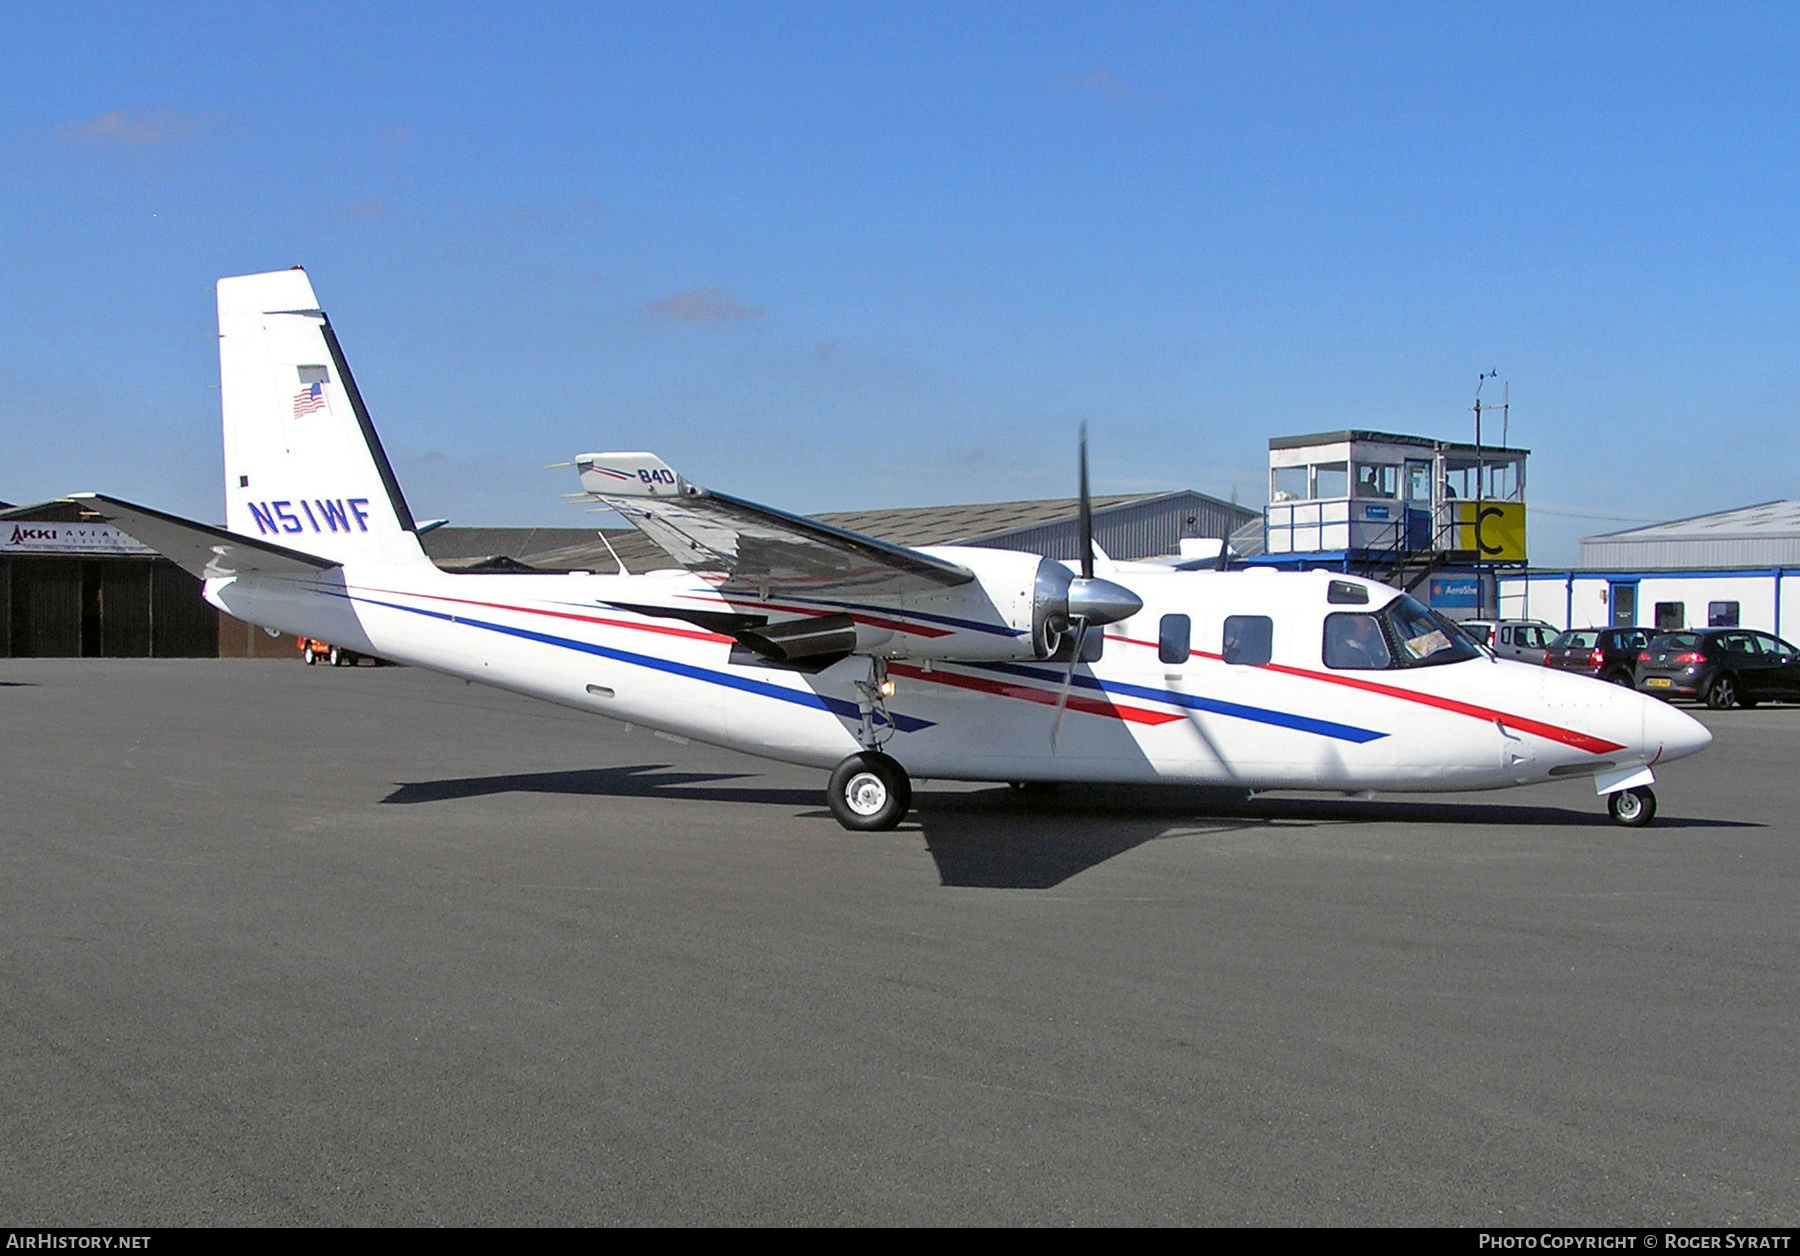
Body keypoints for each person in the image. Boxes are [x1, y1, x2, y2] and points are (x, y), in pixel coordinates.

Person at [1326, 614, 1390, 669]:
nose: (1369, 629)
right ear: (1353, 629)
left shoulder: (1370, 647)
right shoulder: (1345, 652)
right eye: (1365, 626)